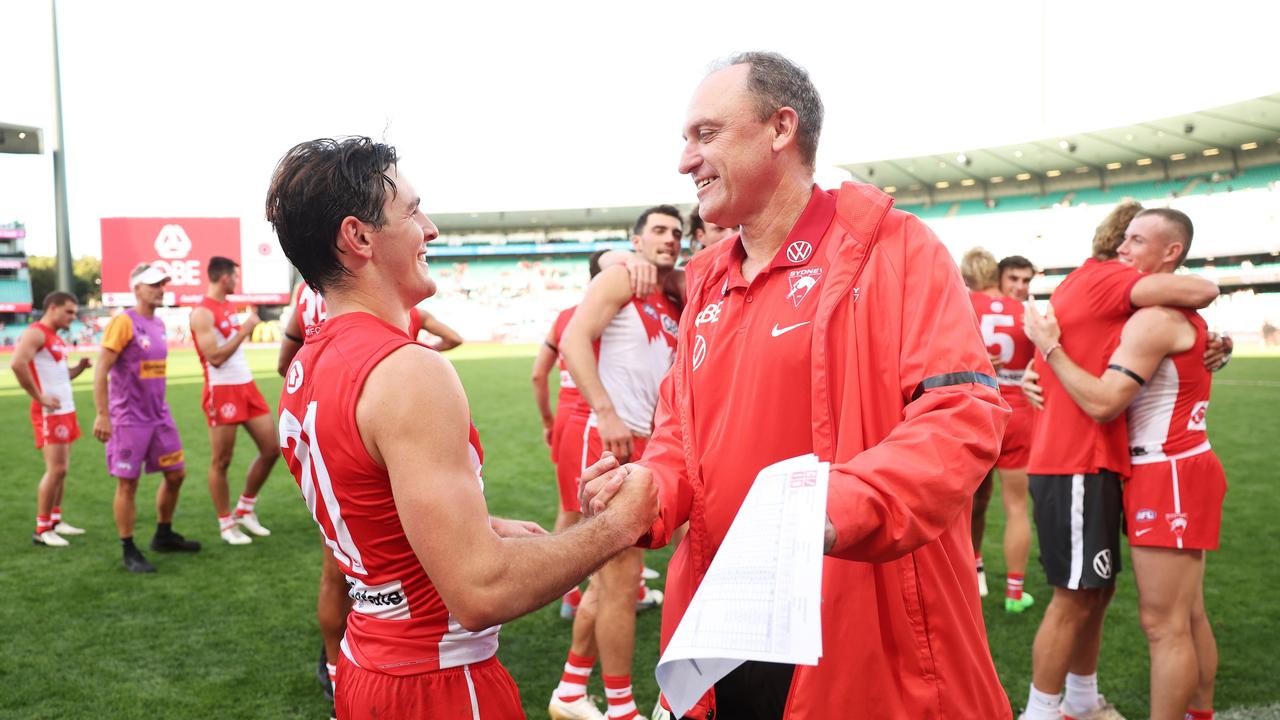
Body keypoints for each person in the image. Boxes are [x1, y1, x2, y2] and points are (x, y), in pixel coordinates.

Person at [581, 51, 1010, 720]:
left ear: (780, 128)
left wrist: (827, 510)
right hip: (723, 633)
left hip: (860, 637)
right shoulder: (708, 279)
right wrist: (648, 489)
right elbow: (680, 440)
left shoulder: (897, 248)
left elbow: (963, 414)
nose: (684, 161)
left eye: (705, 134)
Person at [265, 136, 657, 719]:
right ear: (360, 237)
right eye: (412, 210)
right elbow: (480, 591)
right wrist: (619, 525)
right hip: (439, 682)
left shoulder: (309, 362)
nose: (432, 228)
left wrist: (478, 527)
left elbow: (366, 505)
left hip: (368, 663)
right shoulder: (408, 371)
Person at [1019, 202, 1219, 720]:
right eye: (1123, 239)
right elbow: (1106, 395)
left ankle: (1081, 703)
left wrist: (1047, 355)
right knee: (1089, 600)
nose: (1123, 250)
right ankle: (1042, 712)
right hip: (1086, 460)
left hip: (1128, 464)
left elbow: (1195, 303)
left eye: (1136, 241)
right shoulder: (1113, 282)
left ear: (1169, 252)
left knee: (1112, 598)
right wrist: (1047, 355)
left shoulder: (1122, 297)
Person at [276, 276, 466, 709]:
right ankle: (342, 667)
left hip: (324, 417)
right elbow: (481, 591)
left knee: (350, 573)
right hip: (371, 417)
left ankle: (334, 669)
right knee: (398, 569)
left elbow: (286, 363)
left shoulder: (307, 301)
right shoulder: (402, 331)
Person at [549, 206, 682, 720]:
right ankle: (624, 709)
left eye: (676, 232)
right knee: (622, 582)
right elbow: (573, 340)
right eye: (658, 231)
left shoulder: (671, 292)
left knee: (611, 583)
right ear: (637, 239)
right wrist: (605, 412)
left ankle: (570, 690)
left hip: (652, 444)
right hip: (612, 442)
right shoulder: (622, 277)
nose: (668, 239)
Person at [93, 264, 202, 574]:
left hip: (159, 415)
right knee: (128, 484)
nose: (161, 288)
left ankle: (163, 535)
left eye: (163, 283)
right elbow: (102, 369)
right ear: (137, 288)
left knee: (176, 474)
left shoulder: (158, 324)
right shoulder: (123, 322)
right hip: (128, 420)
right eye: (154, 284)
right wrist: (103, 414)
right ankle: (128, 548)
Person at [961, 248, 1036, 613]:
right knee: (1017, 507)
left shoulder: (962, 302)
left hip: (977, 409)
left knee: (968, 504)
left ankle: (972, 578)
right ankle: (1015, 594)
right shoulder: (1024, 311)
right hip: (1019, 412)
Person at [189, 256, 277, 545]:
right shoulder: (202, 312)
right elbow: (214, 358)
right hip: (222, 390)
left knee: (272, 449)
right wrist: (244, 331)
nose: (237, 282)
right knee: (222, 461)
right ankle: (226, 523)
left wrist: (241, 333)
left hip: (246, 386)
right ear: (224, 277)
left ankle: (245, 508)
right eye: (235, 277)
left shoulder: (227, 306)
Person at [10, 291, 91, 547]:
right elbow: (17, 363)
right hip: (50, 413)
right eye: (68, 311)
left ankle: (55, 520)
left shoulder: (55, 337)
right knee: (55, 470)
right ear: (53, 308)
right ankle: (42, 528)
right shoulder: (36, 333)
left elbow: (58, 375)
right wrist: (39, 396)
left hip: (65, 410)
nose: (72, 317)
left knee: (62, 471)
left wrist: (78, 368)